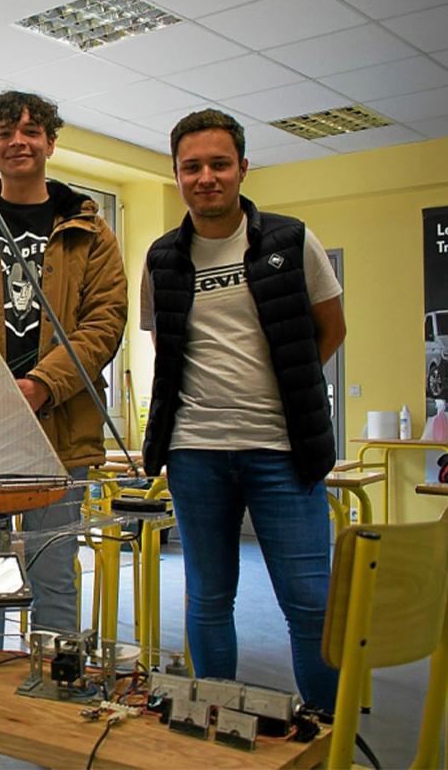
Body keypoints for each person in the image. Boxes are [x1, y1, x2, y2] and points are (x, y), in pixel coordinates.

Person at [140, 108, 345, 711]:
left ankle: (327, 734)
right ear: (177, 174)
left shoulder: (291, 240)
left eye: (220, 164)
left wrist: (285, 389)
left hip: (283, 450)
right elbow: (167, 349)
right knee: (207, 598)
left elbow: (328, 331)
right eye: (192, 166)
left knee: (310, 601)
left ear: (243, 169)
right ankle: (215, 727)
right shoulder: (161, 258)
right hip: (196, 452)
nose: (207, 177)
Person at [0, 90, 128, 644]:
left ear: (50, 143)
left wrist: (41, 385)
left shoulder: (91, 233)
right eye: (6, 133)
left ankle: (53, 698)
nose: (19, 141)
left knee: (54, 573)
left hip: (61, 432)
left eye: (32, 131)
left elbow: (104, 323)